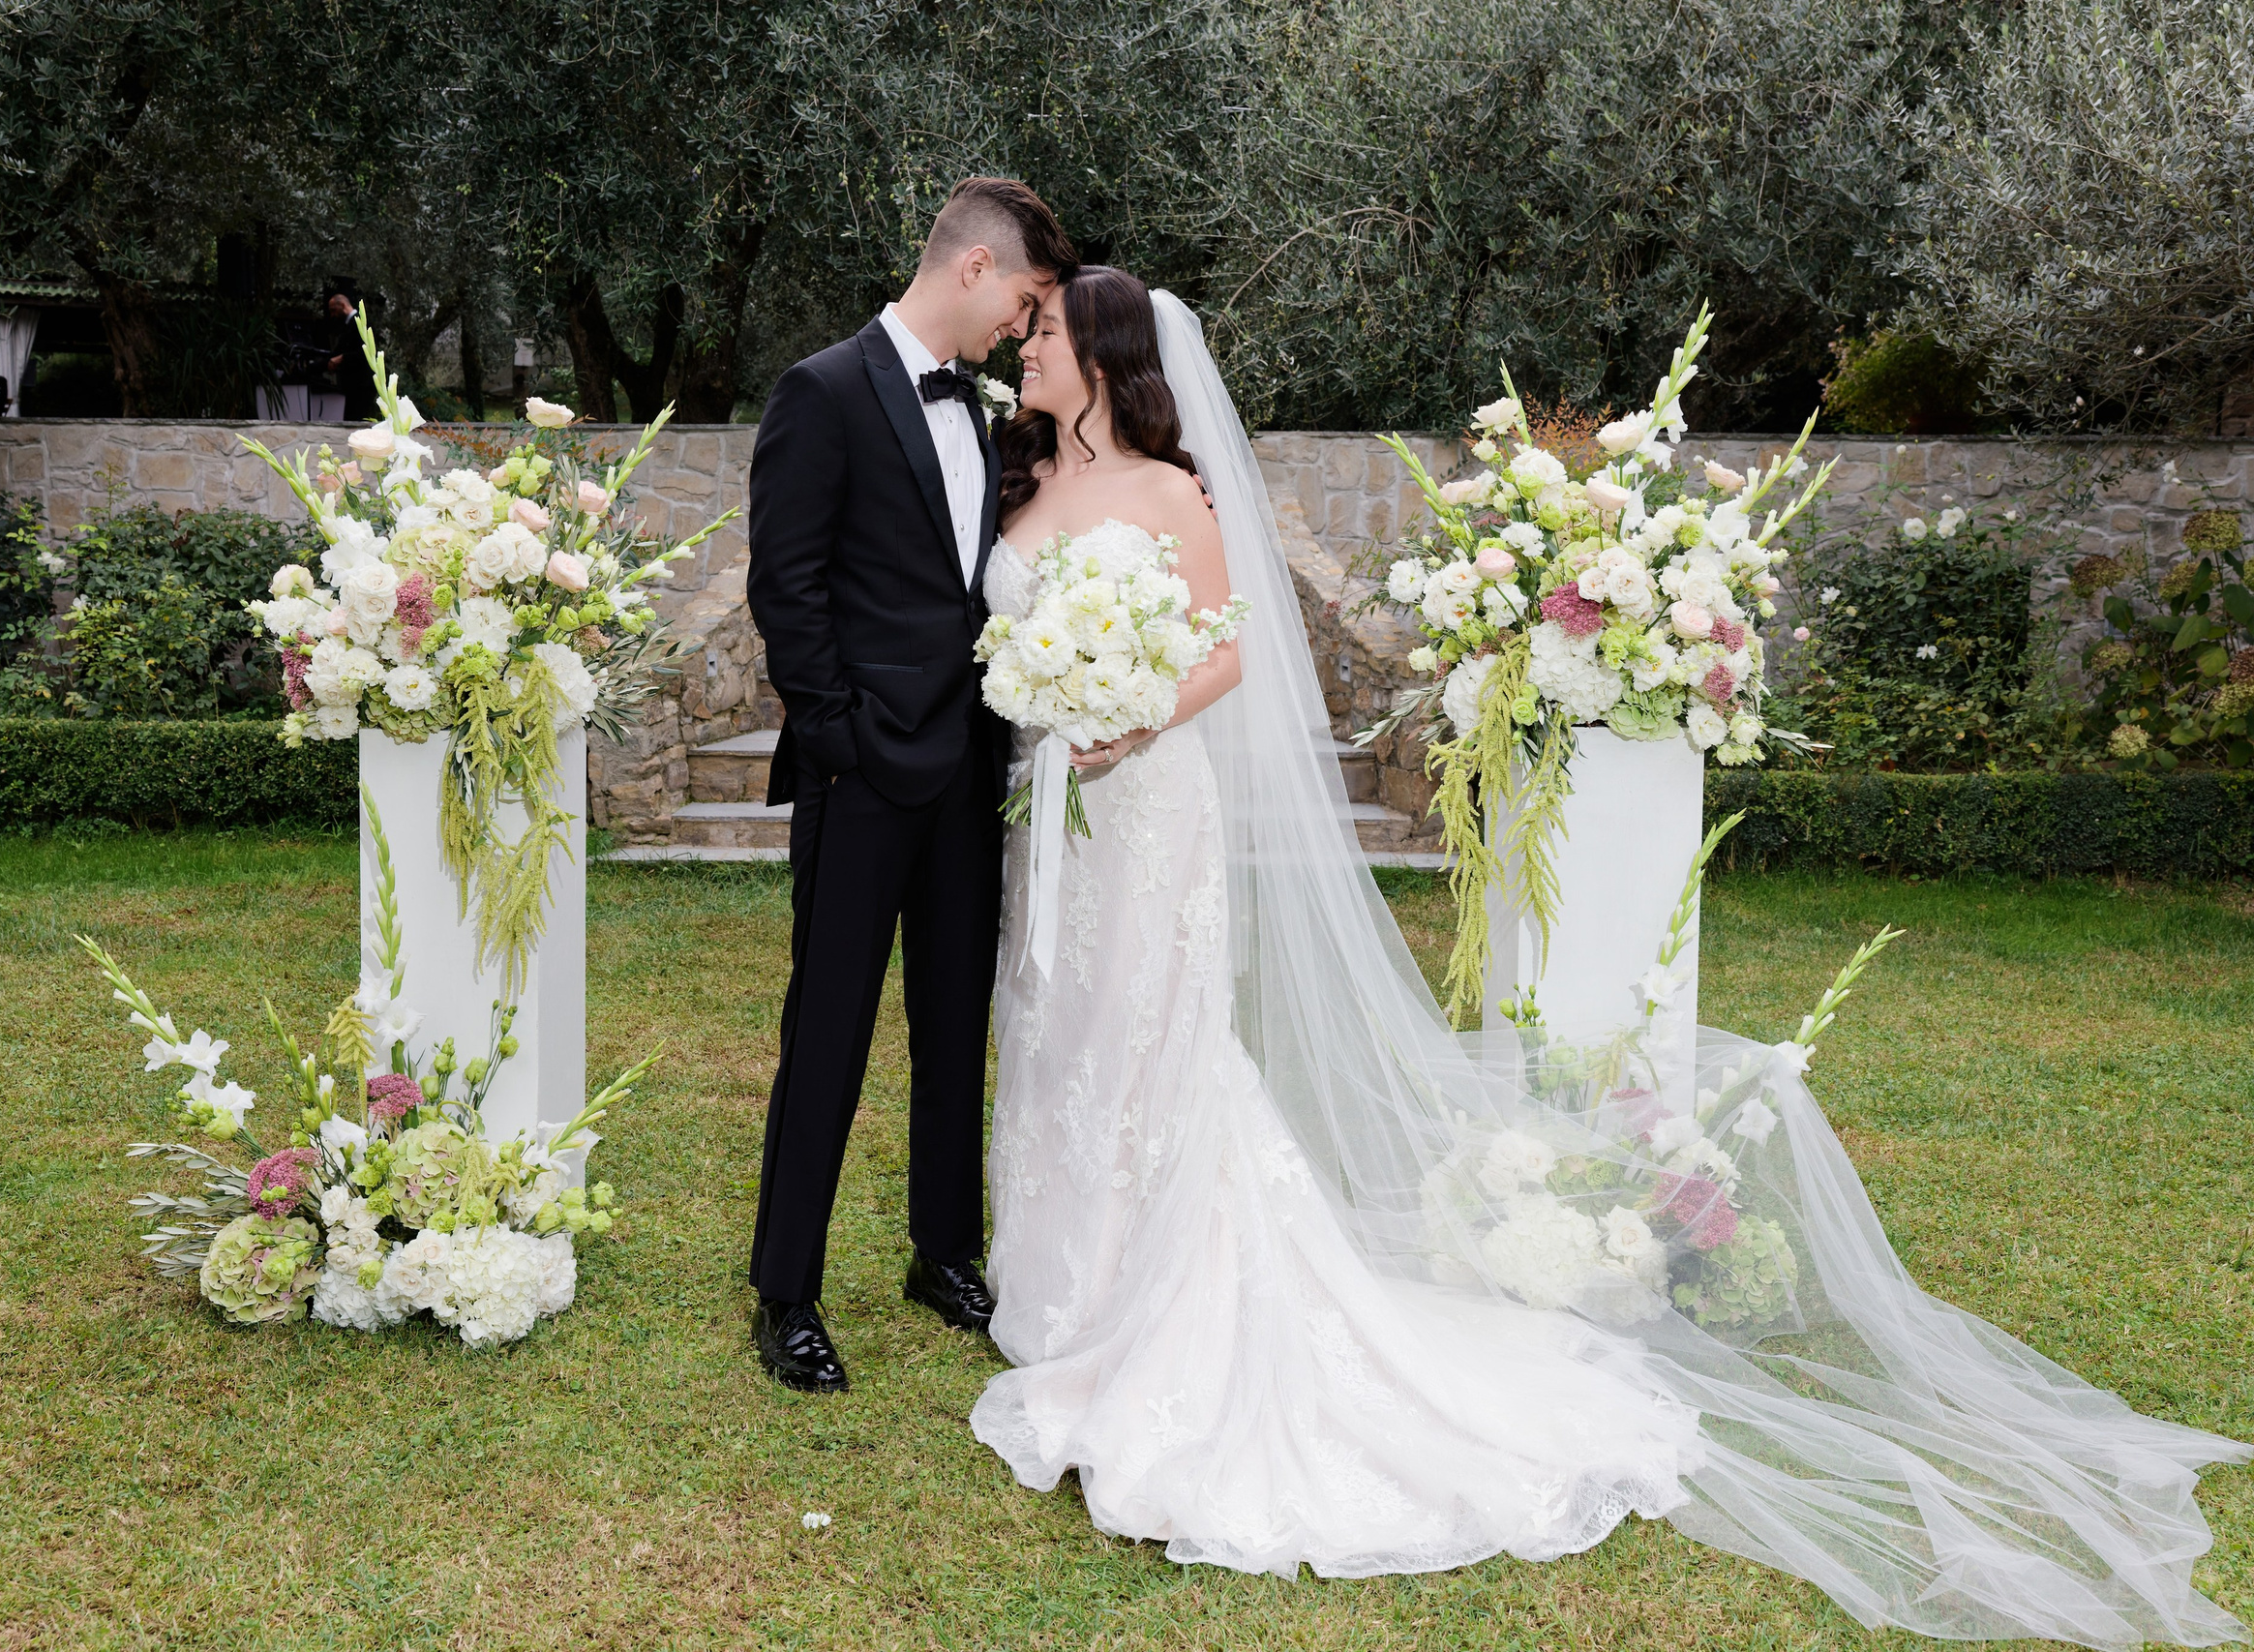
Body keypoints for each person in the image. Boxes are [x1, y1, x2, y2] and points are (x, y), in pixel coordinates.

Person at [969, 268, 2251, 1649]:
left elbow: (1224, 655)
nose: (1021, 346)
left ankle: (1149, 1299)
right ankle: (1060, 1284)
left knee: (1153, 1040)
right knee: (1059, 1026)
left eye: (1040, 332)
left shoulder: (1172, 491)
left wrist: (1129, 709)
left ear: (1098, 355)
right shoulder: (1024, 482)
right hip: (1058, 821)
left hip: (1152, 809)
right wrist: (1048, 694)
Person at [741, 178, 1076, 1394]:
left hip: (969, 770)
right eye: (1025, 303)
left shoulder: (987, 417)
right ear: (977, 269)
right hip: (862, 772)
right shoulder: (820, 391)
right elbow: (787, 589)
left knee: (952, 1023)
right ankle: (786, 1291)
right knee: (824, 1029)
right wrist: (841, 739)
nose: (1022, 331)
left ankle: (943, 1252)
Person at [323, 291, 370, 420]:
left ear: (343, 305)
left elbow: (364, 353)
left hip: (361, 385)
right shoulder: (347, 325)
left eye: (334, 310)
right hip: (352, 386)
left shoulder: (360, 323)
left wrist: (342, 358)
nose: (333, 315)